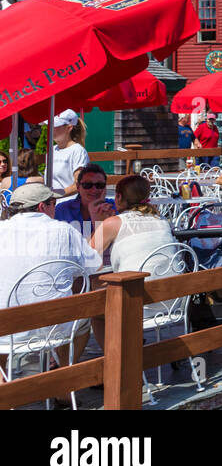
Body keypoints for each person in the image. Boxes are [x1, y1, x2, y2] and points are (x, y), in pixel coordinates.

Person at [0, 183, 102, 384]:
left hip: (5, 328)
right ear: (42, 206)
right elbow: (94, 265)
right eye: (53, 203)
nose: (55, 207)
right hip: (53, 327)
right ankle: (63, 383)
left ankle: (2, 381)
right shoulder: (64, 230)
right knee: (82, 318)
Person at [90, 175, 173, 273]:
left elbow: (88, 260)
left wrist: (98, 223)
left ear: (119, 197)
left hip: (138, 282)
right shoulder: (161, 219)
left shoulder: (113, 223)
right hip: (174, 278)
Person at [54, 163, 117, 243]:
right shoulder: (62, 210)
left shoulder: (114, 208)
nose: (94, 189)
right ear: (78, 187)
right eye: (87, 185)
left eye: (99, 185)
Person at [48, 110, 89, 196]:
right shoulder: (52, 149)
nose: (50, 128)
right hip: (52, 202)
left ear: (69, 128)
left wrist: (54, 196)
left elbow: (79, 184)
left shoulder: (78, 151)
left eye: (55, 125)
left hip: (69, 202)